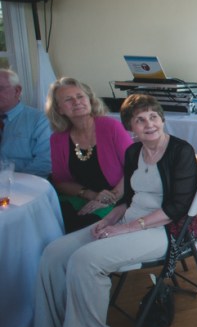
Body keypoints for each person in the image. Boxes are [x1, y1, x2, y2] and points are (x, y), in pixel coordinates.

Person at [1, 94, 197, 327]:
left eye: (153, 117)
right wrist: (108, 220)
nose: (149, 124)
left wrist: (125, 229)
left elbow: (176, 208)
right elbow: (128, 199)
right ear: (130, 127)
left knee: (85, 260)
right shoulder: (134, 152)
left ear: (162, 119)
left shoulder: (180, 151)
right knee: (54, 252)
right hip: (130, 220)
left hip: (164, 231)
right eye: (140, 120)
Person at [46, 78, 134, 233]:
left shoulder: (111, 127)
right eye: (68, 99)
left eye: (80, 96)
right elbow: (61, 181)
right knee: (49, 220)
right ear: (59, 109)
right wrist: (90, 194)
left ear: (90, 100)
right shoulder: (58, 139)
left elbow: (135, 166)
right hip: (83, 197)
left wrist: (110, 197)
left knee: (83, 228)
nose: (76, 102)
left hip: (120, 195)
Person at [0, 68, 51, 177]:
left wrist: (13, 182)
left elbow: (45, 162)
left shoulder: (40, 120)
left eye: (0, 88)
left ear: (17, 91)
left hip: (24, 183)